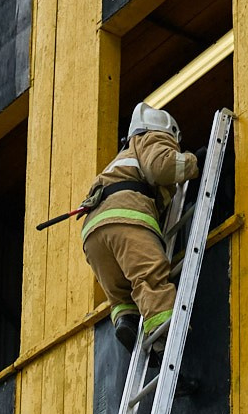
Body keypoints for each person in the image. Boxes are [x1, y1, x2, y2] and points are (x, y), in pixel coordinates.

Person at [78, 102, 200, 351]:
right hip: (126, 219)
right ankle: (163, 335)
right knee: (150, 276)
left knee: (121, 292)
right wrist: (191, 162)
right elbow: (161, 168)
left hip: (93, 235)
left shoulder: (120, 160)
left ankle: (127, 319)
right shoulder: (152, 138)